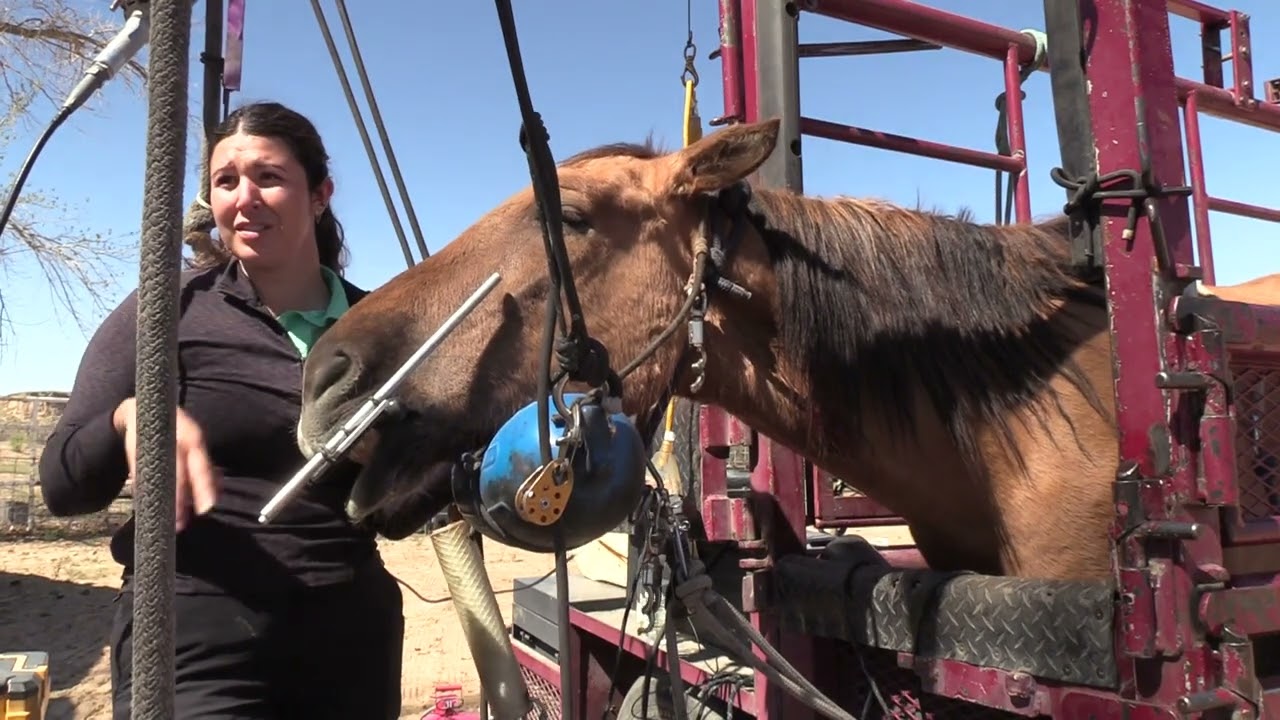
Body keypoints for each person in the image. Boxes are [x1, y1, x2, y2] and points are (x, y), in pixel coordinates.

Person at [38, 101, 405, 719]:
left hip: (352, 632)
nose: (245, 197)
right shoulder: (169, 306)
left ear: (320, 195)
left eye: (269, 176)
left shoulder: (380, 325)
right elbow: (61, 485)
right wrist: (132, 419)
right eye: (226, 181)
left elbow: (419, 498)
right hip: (196, 627)